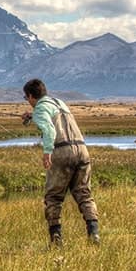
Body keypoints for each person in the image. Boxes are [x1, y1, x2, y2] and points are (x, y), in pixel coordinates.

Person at [20, 78, 100, 246]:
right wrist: (33, 116)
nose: (28, 102)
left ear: (31, 96)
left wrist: (47, 153)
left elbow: (49, 129)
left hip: (61, 152)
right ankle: (94, 233)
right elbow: (54, 118)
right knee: (84, 195)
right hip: (82, 151)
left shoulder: (41, 108)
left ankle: (56, 240)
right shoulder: (59, 103)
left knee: (54, 197)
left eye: (26, 98)